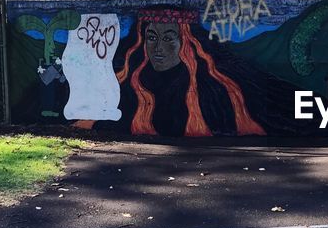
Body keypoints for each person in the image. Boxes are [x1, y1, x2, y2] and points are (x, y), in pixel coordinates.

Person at [112, 7, 265, 137]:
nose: (158, 47)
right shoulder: (129, 87)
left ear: (186, 43)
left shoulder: (211, 92)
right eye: (151, 37)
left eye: (168, 39)